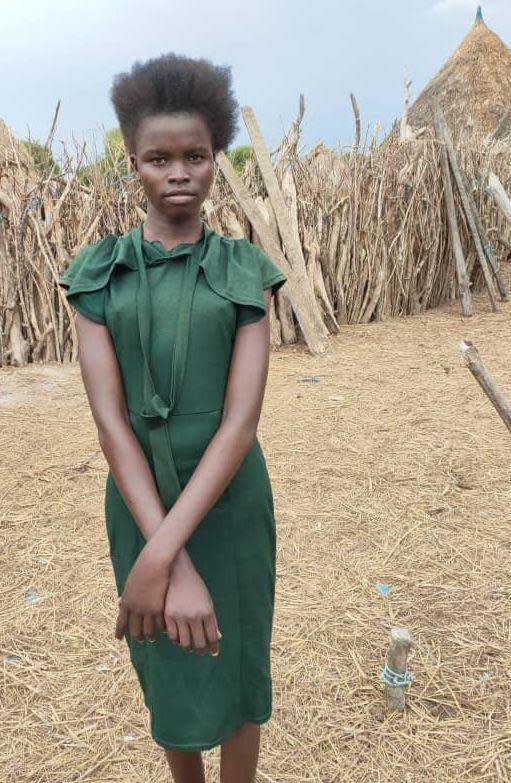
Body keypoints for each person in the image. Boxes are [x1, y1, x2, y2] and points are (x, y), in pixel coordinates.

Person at [58, 53, 287, 783]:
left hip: (229, 501)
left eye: (195, 155)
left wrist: (161, 558)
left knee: (239, 663)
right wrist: (161, 556)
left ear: (217, 158)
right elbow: (112, 426)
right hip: (139, 500)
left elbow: (238, 424)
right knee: (164, 659)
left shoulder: (245, 271)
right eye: (159, 157)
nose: (178, 171)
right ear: (134, 164)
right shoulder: (98, 273)